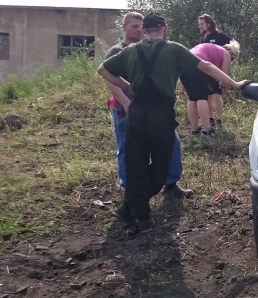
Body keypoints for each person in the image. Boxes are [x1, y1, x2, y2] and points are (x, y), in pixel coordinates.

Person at [98, 13, 249, 235]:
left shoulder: (130, 51)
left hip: (136, 112)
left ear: (144, 30)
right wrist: (234, 84)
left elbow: (103, 70)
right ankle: (131, 207)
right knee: (161, 165)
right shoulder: (174, 49)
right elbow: (206, 66)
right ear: (165, 28)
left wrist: (128, 87)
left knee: (136, 164)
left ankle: (139, 215)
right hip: (161, 113)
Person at [104, 12, 192, 198]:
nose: (138, 30)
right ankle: (130, 188)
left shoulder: (150, 48)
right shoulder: (118, 50)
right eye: (134, 26)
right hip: (127, 102)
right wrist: (127, 103)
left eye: (140, 26)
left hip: (155, 104)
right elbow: (110, 80)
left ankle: (171, 183)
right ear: (124, 27)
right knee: (128, 147)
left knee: (171, 141)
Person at [180, 41, 240, 137]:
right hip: (198, 65)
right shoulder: (226, 54)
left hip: (183, 65)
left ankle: (195, 129)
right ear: (231, 53)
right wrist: (226, 85)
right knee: (202, 98)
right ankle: (206, 129)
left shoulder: (214, 49)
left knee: (192, 98)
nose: (230, 61)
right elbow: (225, 75)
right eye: (232, 59)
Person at [198, 13, 233, 129]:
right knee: (208, 95)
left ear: (209, 24)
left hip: (217, 70)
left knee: (217, 94)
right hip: (205, 70)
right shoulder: (203, 39)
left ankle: (219, 120)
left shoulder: (220, 36)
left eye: (202, 24)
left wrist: (229, 55)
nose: (200, 26)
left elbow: (234, 46)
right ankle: (210, 118)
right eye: (199, 24)